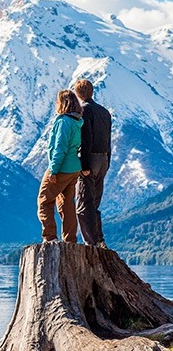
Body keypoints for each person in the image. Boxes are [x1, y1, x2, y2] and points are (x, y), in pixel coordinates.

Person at [37, 90, 84, 243]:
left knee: (44, 200)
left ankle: (50, 237)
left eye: (57, 101)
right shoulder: (77, 121)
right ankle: (70, 239)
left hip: (61, 168)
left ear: (62, 103)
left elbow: (60, 147)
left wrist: (53, 170)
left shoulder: (64, 121)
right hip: (74, 169)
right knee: (66, 204)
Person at [74, 79, 112, 248]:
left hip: (90, 159)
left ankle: (91, 243)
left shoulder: (84, 110)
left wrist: (84, 164)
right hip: (103, 159)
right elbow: (108, 139)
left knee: (83, 204)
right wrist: (107, 161)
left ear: (78, 94)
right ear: (92, 92)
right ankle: (100, 239)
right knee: (94, 202)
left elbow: (86, 137)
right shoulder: (104, 112)